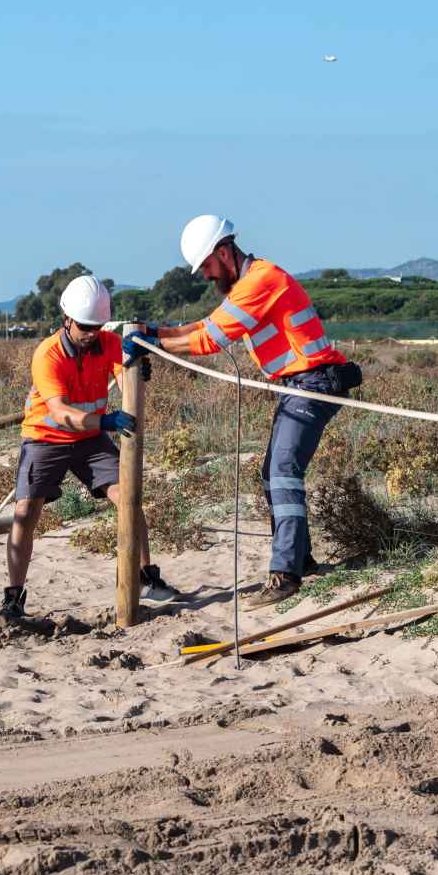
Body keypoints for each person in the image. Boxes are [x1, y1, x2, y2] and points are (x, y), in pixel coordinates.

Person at [120, 215, 363, 609]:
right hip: (301, 385)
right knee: (274, 472)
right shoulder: (245, 286)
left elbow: (210, 340)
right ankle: (301, 560)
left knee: (282, 472)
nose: (204, 275)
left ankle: (285, 575)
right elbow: (205, 325)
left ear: (223, 251)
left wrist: (152, 343)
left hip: (314, 384)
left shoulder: (260, 281)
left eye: (207, 267)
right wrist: (153, 333)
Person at [2, 274, 181, 621]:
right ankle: (13, 598)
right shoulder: (47, 355)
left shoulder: (108, 342)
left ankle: (147, 578)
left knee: (127, 497)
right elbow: (61, 413)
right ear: (67, 319)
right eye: (84, 326)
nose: (90, 333)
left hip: (90, 441)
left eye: (96, 326)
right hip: (46, 438)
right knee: (26, 512)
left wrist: (135, 371)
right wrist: (107, 422)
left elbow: (124, 371)